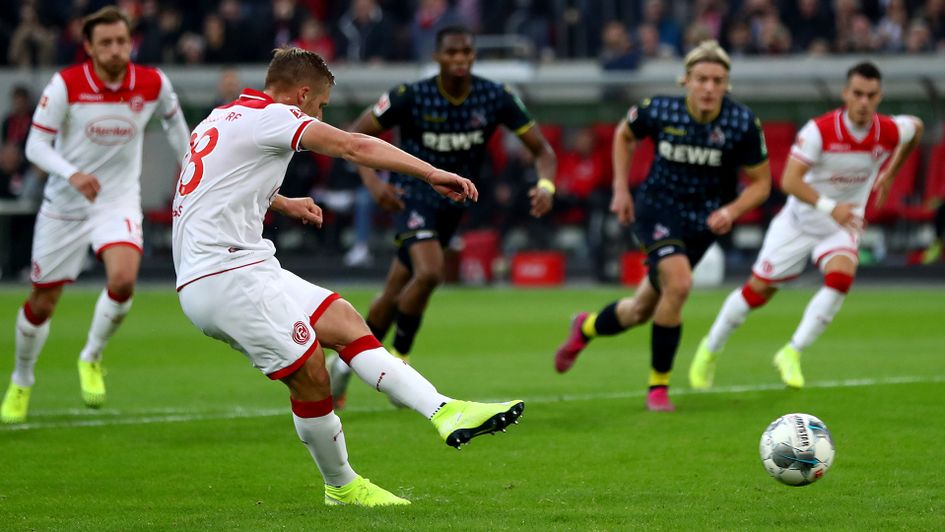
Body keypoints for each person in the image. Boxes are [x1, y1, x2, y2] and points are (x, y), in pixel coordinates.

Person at [171, 47, 525, 507]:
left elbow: (211, 182)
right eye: (319, 106)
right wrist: (429, 172)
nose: (321, 114)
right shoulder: (275, 117)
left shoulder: (223, 118)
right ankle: (342, 486)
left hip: (245, 265)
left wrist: (281, 202)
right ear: (301, 95)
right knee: (311, 374)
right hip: (223, 276)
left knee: (342, 319)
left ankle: (445, 411)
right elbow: (353, 145)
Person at [329, 25, 557, 409]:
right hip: (414, 195)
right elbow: (357, 135)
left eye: (466, 53)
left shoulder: (494, 96)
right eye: (452, 53)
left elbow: (543, 150)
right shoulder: (410, 96)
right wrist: (373, 184)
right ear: (437, 57)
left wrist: (546, 186)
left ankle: (344, 363)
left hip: (455, 202)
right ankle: (400, 367)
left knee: (394, 289)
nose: (460, 60)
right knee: (431, 272)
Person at [553, 40, 771, 412]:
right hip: (657, 209)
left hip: (704, 221)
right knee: (681, 283)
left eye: (717, 80)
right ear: (685, 80)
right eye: (701, 79)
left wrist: (732, 210)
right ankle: (659, 387)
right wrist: (622, 189)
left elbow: (762, 183)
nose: (709, 87)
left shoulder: (742, 123)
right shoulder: (660, 109)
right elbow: (624, 134)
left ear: (727, 85)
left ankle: (585, 327)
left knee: (640, 310)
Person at [0, 6, 190, 424]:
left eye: (122, 41)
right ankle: (22, 378)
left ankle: (91, 356)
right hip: (65, 206)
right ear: (88, 47)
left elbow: (178, 130)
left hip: (117, 201)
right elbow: (35, 146)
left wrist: (194, 171)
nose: (116, 50)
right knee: (42, 302)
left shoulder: (153, 82)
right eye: (106, 43)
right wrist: (72, 174)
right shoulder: (66, 84)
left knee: (123, 280)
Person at [689, 62, 924, 390]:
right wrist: (831, 207)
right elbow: (787, 180)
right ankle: (710, 348)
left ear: (880, 97)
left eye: (871, 95)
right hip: (799, 222)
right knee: (757, 291)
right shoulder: (820, 131)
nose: (863, 102)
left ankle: (792, 351)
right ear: (845, 94)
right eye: (857, 94)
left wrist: (891, 172)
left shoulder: (888, 130)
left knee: (841, 278)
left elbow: (916, 127)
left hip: (841, 225)